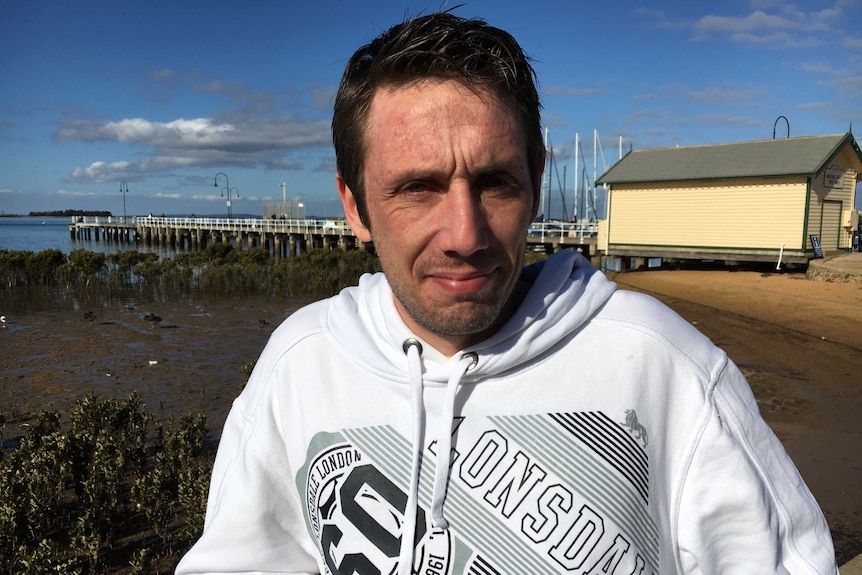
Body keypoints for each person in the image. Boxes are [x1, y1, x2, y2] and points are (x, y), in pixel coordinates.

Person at [176, 12, 837, 575]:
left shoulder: (665, 366)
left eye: (495, 182)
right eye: (417, 187)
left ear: (537, 180)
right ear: (354, 205)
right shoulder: (300, 367)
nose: (465, 234)